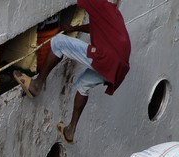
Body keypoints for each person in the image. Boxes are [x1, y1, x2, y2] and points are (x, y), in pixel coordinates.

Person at [14, 0, 130, 144]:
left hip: (106, 58)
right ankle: (70, 130)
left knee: (58, 42)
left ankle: (36, 85)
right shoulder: (113, 12)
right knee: (83, 85)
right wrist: (75, 28)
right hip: (120, 67)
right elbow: (93, 26)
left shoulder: (100, 4)